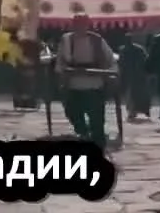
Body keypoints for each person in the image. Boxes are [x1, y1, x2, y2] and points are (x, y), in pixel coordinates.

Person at [55, 14, 116, 144]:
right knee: (73, 114)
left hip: (94, 85)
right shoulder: (67, 40)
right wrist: (62, 75)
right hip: (73, 84)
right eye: (77, 24)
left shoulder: (97, 40)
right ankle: (84, 133)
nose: (80, 27)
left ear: (87, 25)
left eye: (82, 24)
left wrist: (110, 74)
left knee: (96, 119)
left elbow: (110, 59)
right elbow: (60, 61)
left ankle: (98, 143)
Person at [117, 38, 152, 121]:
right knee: (134, 94)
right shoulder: (136, 49)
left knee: (134, 94)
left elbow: (121, 63)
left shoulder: (125, 50)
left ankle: (134, 110)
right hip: (134, 75)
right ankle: (134, 110)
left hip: (134, 74)